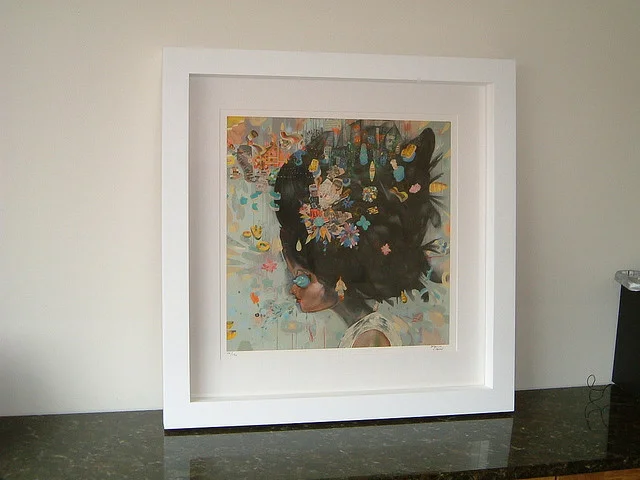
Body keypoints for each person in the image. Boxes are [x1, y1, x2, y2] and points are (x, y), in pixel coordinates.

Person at [274, 123, 446, 347]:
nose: (292, 289)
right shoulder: (365, 333)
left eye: (301, 277)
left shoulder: (370, 340)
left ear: (334, 272)